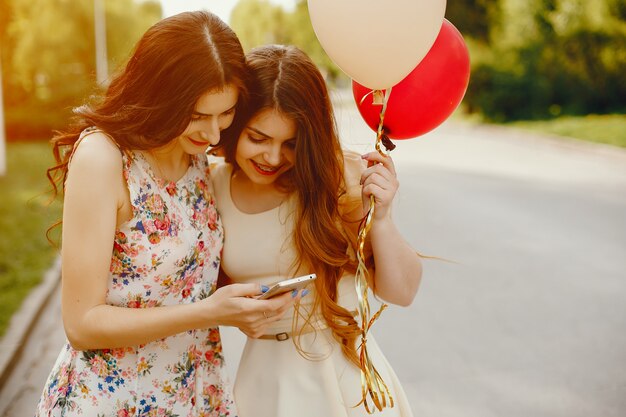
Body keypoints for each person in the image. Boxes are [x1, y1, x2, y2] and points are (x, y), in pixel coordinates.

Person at [36, 12, 296, 416]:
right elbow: (81, 323)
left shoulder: (195, 158)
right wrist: (209, 312)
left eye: (225, 113)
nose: (213, 134)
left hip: (194, 395)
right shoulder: (104, 158)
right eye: (197, 115)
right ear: (160, 95)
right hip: (112, 401)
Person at [210, 45, 422, 417]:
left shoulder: (339, 178)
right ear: (233, 124)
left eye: (291, 144)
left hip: (342, 380)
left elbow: (402, 292)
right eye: (258, 138)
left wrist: (383, 219)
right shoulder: (210, 186)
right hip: (263, 381)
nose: (273, 158)